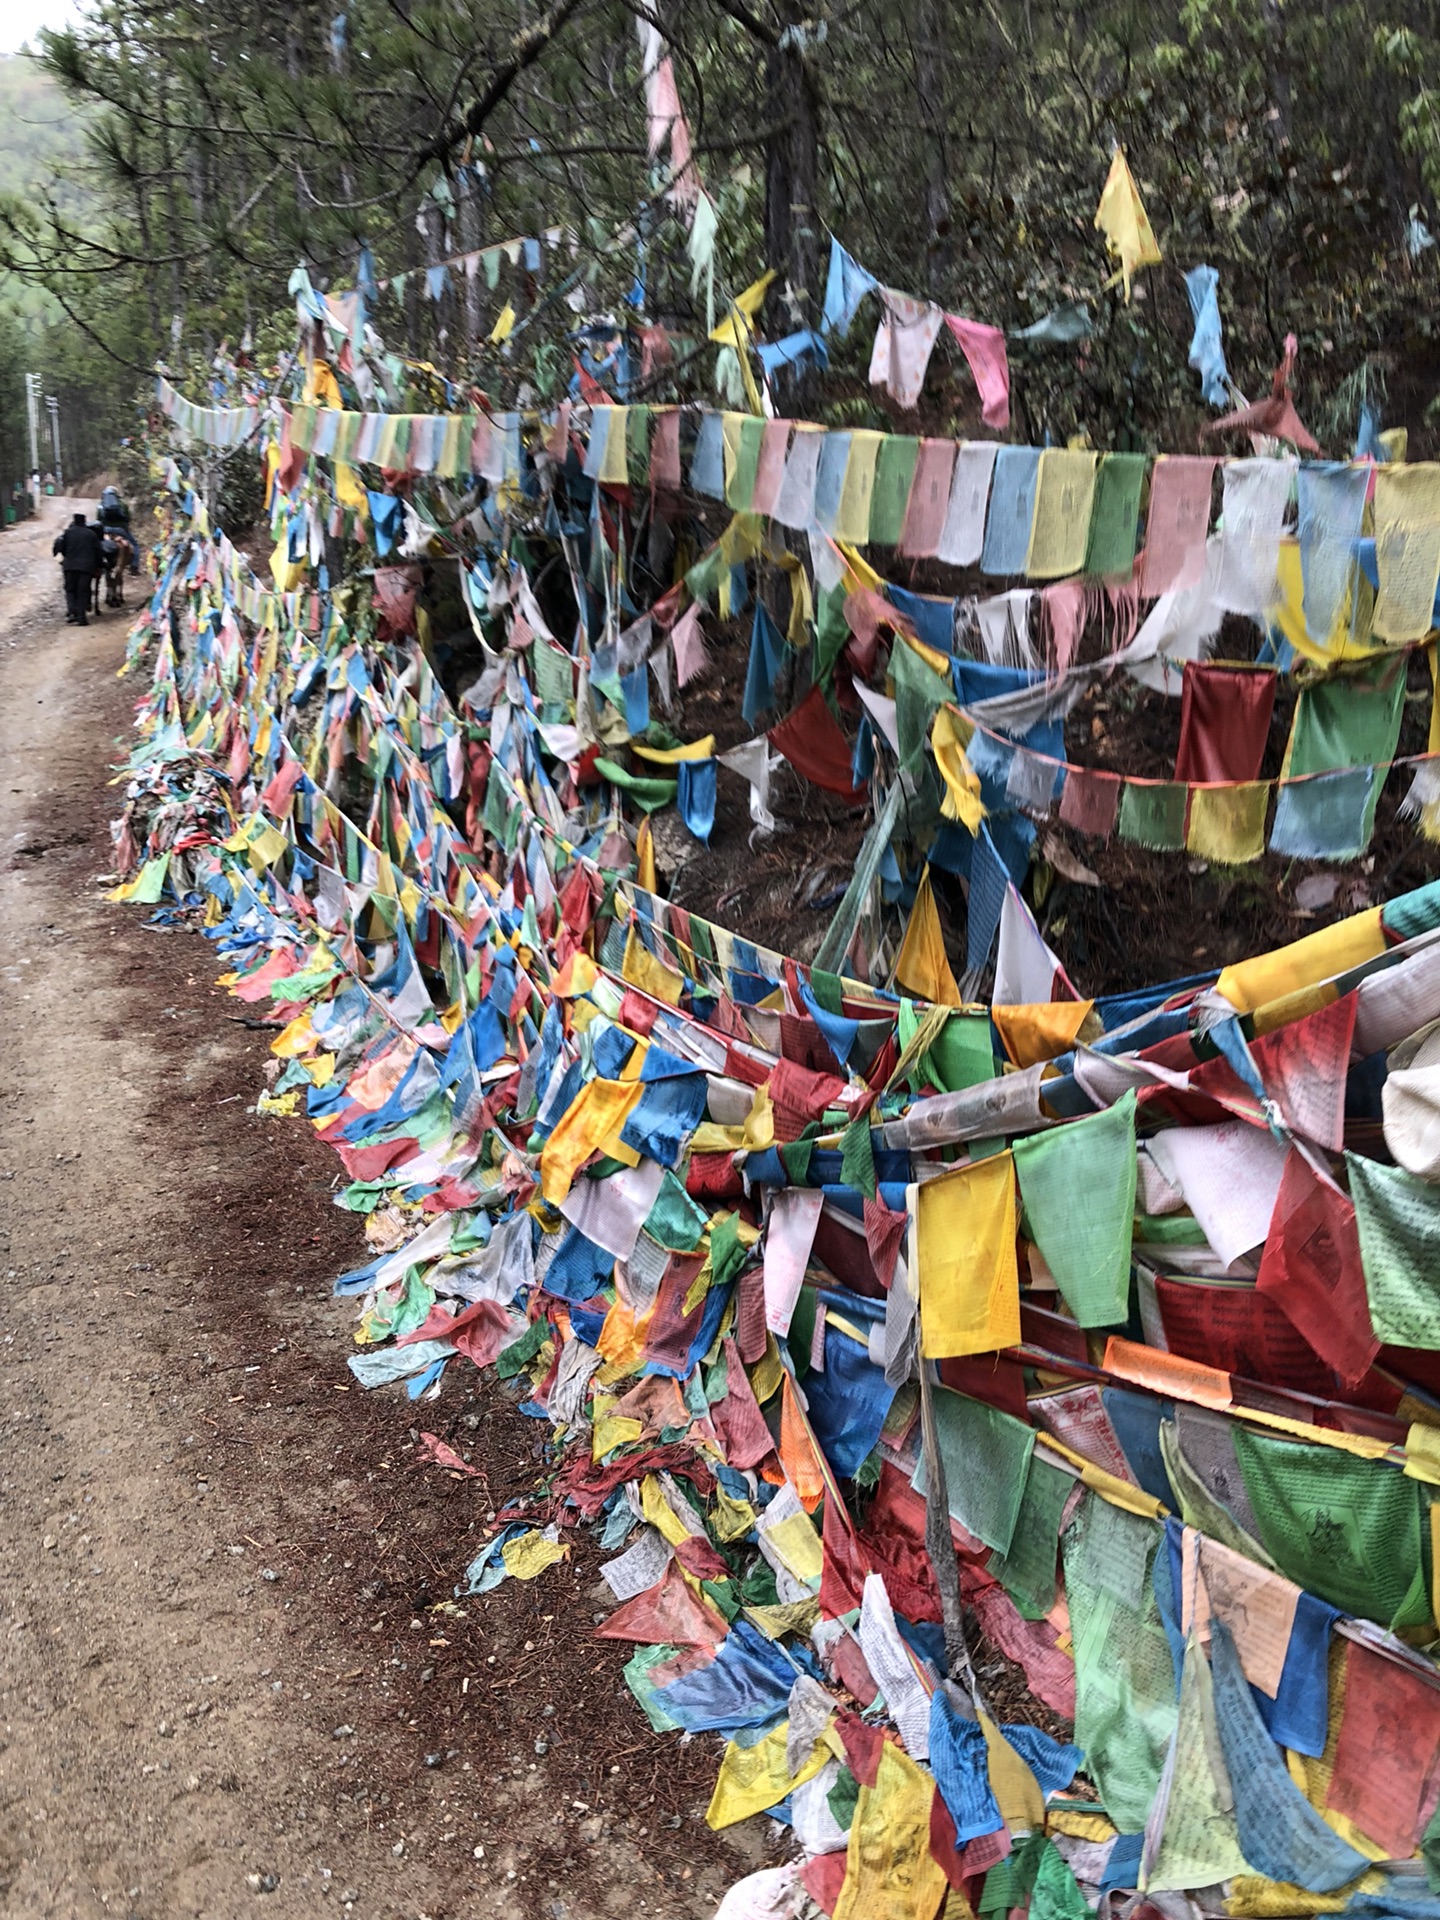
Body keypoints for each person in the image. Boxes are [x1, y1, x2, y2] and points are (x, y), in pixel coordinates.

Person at [52, 513, 103, 625]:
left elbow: (62, 548)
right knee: (82, 591)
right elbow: (98, 551)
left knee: (70, 590)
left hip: (69, 566)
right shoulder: (91, 534)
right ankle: (81, 617)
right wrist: (99, 565)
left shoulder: (68, 533)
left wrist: (67, 559)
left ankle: (71, 612)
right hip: (86, 568)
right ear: (84, 521)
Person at [98, 485, 139, 570]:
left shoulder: (101, 504)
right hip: (121, 530)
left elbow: (98, 519)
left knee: (96, 544)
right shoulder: (122, 504)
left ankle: (97, 563)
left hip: (106, 530)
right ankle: (134, 566)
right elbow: (128, 518)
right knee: (135, 545)